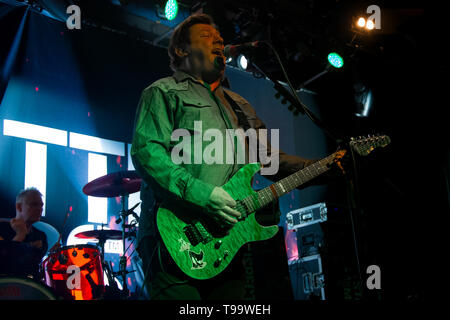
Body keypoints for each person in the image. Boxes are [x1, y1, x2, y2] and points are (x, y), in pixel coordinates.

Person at [131, 13, 343, 300]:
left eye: (219, 39)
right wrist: (205, 195)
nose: (218, 41)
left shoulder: (238, 104)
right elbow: (148, 154)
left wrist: (325, 166)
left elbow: (270, 160)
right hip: (174, 236)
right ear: (181, 50)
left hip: (227, 244)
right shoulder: (163, 92)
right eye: (207, 37)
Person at [0, 187, 48, 277]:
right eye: (34, 204)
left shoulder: (40, 236)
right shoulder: (2, 229)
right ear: (19, 207)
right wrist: (20, 235)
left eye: (41, 205)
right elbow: (4, 262)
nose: (40, 209)